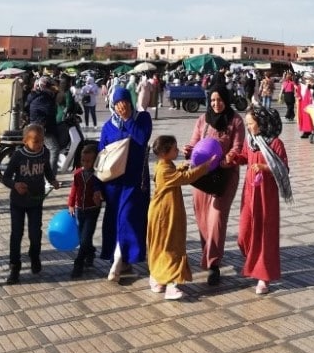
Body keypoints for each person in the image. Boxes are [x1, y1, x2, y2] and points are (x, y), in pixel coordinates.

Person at [182, 86, 245, 286]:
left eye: (220, 100)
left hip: (225, 176)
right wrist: (188, 150)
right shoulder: (203, 120)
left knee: (216, 218)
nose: (216, 104)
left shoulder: (235, 120)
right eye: (213, 100)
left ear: (226, 99)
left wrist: (230, 157)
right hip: (202, 175)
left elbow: (238, 146)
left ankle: (213, 264)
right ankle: (208, 256)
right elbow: (194, 142)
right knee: (202, 219)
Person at [227, 105, 292, 295]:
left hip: (266, 197)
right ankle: (253, 262)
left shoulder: (276, 143)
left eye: (251, 124)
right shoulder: (251, 140)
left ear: (261, 123)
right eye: (247, 124)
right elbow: (245, 158)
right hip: (249, 194)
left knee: (265, 235)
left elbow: (283, 169)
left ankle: (263, 277)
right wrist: (234, 157)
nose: (248, 127)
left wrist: (264, 167)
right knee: (244, 234)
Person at [147, 135, 217, 300]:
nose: (177, 151)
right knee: (171, 246)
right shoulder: (164, 169)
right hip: (164, 215)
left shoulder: (163, 165)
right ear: (165, 152)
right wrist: (205, 166)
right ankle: (172, 284)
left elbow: (175, 174)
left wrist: (181, 167)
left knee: (162, 246)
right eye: (174, 148)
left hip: (164, 213)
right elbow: (185, 179)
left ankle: (157, 278)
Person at [99, 86, 153, 282]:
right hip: (114, 184)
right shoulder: (108, 126)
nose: (122, 107)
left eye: (125, 103)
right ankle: (124, 262)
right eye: (118, 104)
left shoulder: (142, 118)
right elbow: (101, 154)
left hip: (135, 181)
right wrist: (99, 187)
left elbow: (142, 138)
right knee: (116, 220)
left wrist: (129, 119)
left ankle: (118, 260)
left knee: (129, 218)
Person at [1, 123, 60, 284]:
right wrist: (15, 185)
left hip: (36, 201)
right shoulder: (18, 156)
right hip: (18, 202)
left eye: (41, 140)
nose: (39, 144)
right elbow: (5, 177)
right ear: (25, 141)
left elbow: (47, 170)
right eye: (35, 141)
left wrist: (52, 180)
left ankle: (35, 256)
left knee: (35, 233)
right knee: (16, 234)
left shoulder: (45, 153)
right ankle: (15, 266)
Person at [68, 143, 104, 278]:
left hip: (92, 210)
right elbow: (74, 190)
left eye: (89, 161)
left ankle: (78, 264)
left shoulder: (97, 175)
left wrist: (100, 197)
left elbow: (101, 191)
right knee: (82, 235)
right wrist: (71, 204)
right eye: (83, 160)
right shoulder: (78, 174)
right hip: (79, 209)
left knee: (85, 237)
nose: (85, 163)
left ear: (95, 161)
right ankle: (90, 252)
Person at [26, 76, 61, 179]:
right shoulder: (43, 98)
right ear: (43, 87)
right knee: (54, 149)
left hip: (39, 125)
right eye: (49, 86)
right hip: (42, 128)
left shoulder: (37, 96)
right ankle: (50, 179)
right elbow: (50, 111)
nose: (52, 89)